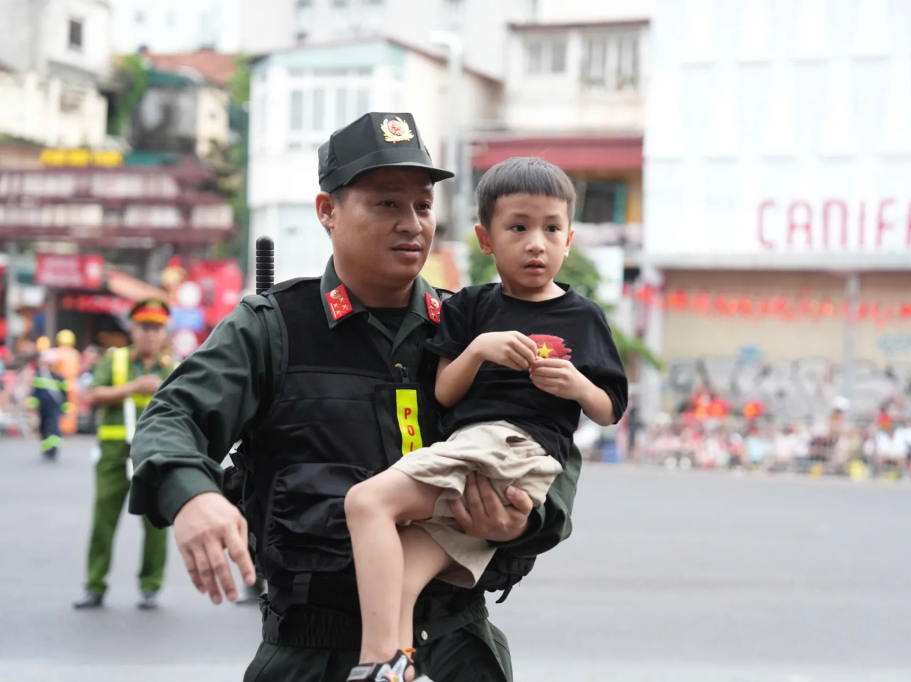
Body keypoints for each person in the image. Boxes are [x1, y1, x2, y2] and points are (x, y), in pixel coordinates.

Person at [126, 113, 581, 682]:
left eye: (422, 205)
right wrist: (191, 495)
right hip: (316, 654)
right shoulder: (273, 329)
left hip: (454, 646)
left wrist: (525, 519)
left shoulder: (474, 326)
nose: (412, 224)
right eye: (387, 204)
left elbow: (552, 441)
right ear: (328, 211)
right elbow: (173, 415)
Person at [341, 157, 628, 680]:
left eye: (551, 228)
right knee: (404, 570)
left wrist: (576, 384)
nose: (536, 243)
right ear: (486, 238)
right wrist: (478, 349)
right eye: (518, 227)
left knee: (366, 502)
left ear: (569, 239)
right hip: (472, 444)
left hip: (518, 450)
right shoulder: (471, 308)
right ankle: (399, 668)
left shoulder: (582, 316)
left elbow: (609, 408)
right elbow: (446, 393)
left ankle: (376, 662)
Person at [74, 299, 175, 610]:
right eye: (144, 327)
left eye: (156, 328)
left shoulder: (171, 368)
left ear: (164, 333)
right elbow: (92, 395)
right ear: (133, 329)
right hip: (114, 458)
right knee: (103, 522)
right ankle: (94, 585)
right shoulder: (115, 360)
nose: (149, 335)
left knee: (156, 525)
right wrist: (133, 387)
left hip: (154, 459)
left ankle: (150, 586)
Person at [27, 348, 69, 460]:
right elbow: (35, 392)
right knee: (43, 427)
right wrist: (32, 405)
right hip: (43, 406)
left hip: (55, 406)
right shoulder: (39, 376)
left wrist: (65, 408)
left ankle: (53, 449)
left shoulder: (60, 378)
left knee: (55, 427)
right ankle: (46, 447)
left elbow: (64, 394)